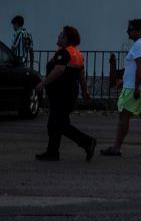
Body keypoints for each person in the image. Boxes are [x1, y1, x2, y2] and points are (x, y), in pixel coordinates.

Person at [34, 26, 96, 161]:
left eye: (61, 34)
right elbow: (81, 75)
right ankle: (52, 152)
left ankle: (87, 142)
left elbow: (58, 70)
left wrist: (42, 83)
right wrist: (85, 91)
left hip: (61, 95)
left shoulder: (64, 53)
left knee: (60, 124)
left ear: (67, 38)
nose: (58, 36)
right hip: (69, 94)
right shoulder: (77, 53)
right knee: (54, 123)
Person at [101, 19, 141, 158]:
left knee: (124, 117)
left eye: (130, 29)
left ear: (139, 30)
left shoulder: (139, 45)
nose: (128, 32)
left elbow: (140, 67)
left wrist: (136, 87)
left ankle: (116, 148)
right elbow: (138, 68)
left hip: (136, 88)